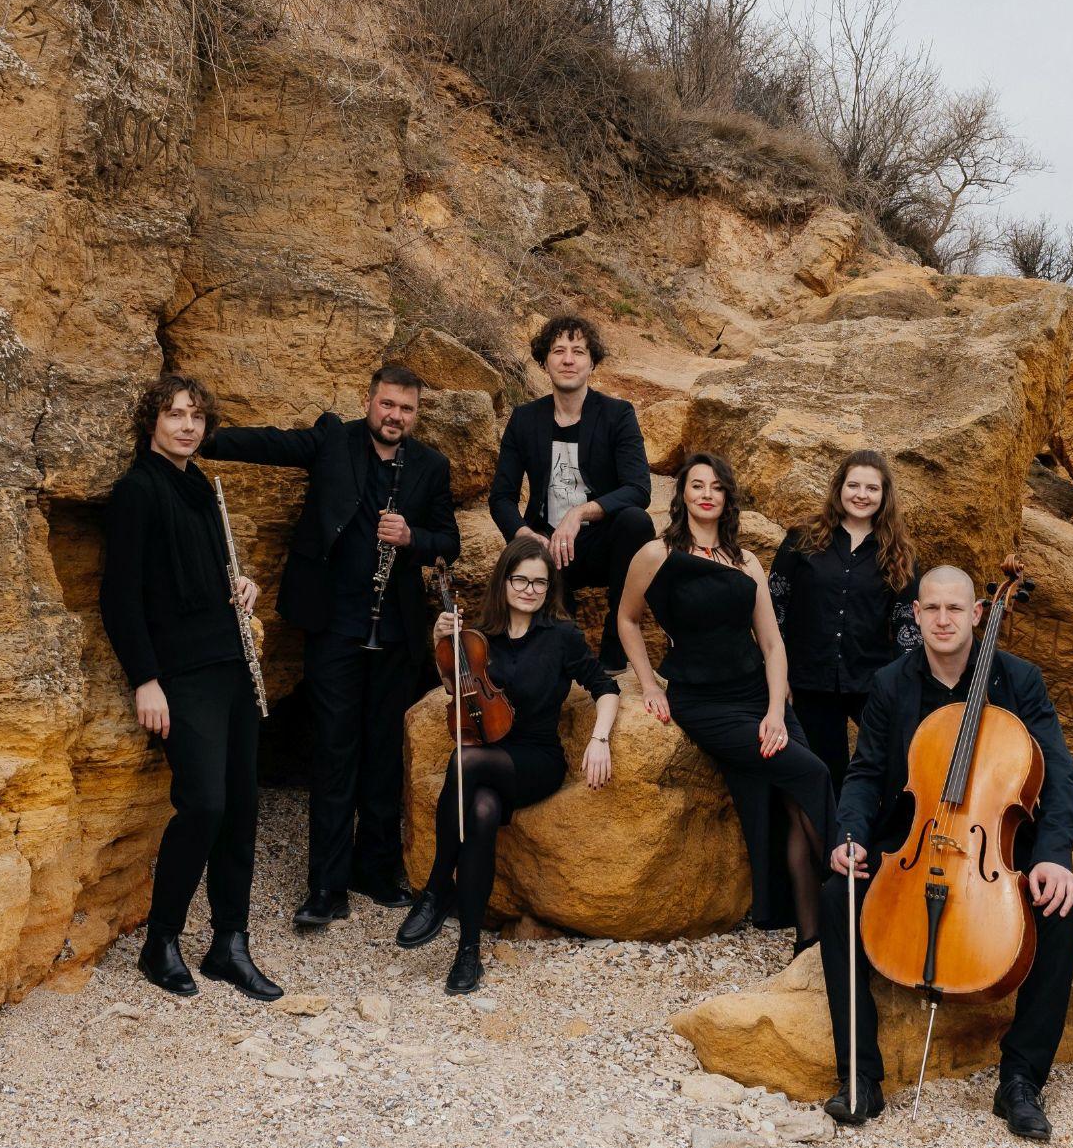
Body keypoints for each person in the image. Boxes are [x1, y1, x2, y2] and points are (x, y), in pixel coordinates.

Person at [820, 564, 1073, 1142]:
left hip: (994, 843)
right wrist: (851, 834)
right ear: (917, 615)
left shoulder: (1020, 681)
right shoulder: (891, 683)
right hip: (916, 839)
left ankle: (1020, 1080)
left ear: (978, 614)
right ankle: (860, 1076)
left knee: (1061, 909)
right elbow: (865, 773)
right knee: (837, 893)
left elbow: (1059, 774)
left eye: (956, 609)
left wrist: (1055, 856)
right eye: (932, 608)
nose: (944, 619)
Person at [201, 364, 459, 927]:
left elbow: (449, 542)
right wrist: (205, 438)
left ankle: (376, 870)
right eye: (387, 404)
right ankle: (327, 886)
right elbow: (273, 444)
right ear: (369, 401)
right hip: (335, 628)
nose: (395, 416)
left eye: (406, 409)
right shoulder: (332, 441)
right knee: (335, 751)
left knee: (383, 752)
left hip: (395, 633)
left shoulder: (431, 467)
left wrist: (411, 537)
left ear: (417, 414)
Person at [101, 374, 282, 1001]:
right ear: (151, 420)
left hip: (231, 663)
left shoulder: (203, 487)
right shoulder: (137, 491)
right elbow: (119, 598)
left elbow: (213, 575)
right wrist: (145, 681)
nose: (187, 426)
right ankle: (161, 941)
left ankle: (230, 943)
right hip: (181, 674)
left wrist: (243, 585)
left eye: (196, 417)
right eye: (175, 414)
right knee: (204, 804)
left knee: (240, 809)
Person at [617, 453, 834, 953]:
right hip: (704, 703)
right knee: (813, 774)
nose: (707, 494)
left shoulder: (746, 561)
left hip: (760, 696)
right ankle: (853, 895)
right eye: (697, 485)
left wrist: (776, 711)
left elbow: (772, 644)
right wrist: (649, 684)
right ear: (682, 494)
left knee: (797, 798)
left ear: (727, 497)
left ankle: (810, 936)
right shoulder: (655, 554)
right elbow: (626, 619)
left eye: (716, 486)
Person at [396, 535, 620, 994]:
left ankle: (437, 887)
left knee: (465, 760)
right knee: (480, 811)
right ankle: (468, 953)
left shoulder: (561, 636)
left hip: (536, 760)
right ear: (504, 581)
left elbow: (606, 688)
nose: (529, 590)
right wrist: (442, 643)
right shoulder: (481, 635)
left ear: (549, 587)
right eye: (521, 580)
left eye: (539, 582)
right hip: (487, 758)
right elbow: (456, 692)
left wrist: (600, 739)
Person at [489, 314, 653, 672]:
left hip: (602, 543)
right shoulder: (525, 419)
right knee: (550, 620)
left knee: (636, 522)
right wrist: (524, 534)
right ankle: (561, 649)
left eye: (578, 351)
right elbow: (501, 497)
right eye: (558, 351)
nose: (568, 360)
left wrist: (579, 513)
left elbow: (639, 488)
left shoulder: (617, 414)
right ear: (544, 362)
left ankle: (616, 645)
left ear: (592, 363)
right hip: (547, 543)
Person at [768, 449, 920, 795]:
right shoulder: (802, 538)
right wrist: (778, 676)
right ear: (839, 488)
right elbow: (774, 609)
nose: (861, 495)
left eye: (872, 488)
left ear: (884, 495)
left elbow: (907, 627)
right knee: (827, 775)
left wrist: (902, 688)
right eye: (854, 485)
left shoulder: (899, 553)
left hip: (871, 682)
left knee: (892, 766)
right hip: (809, 680)